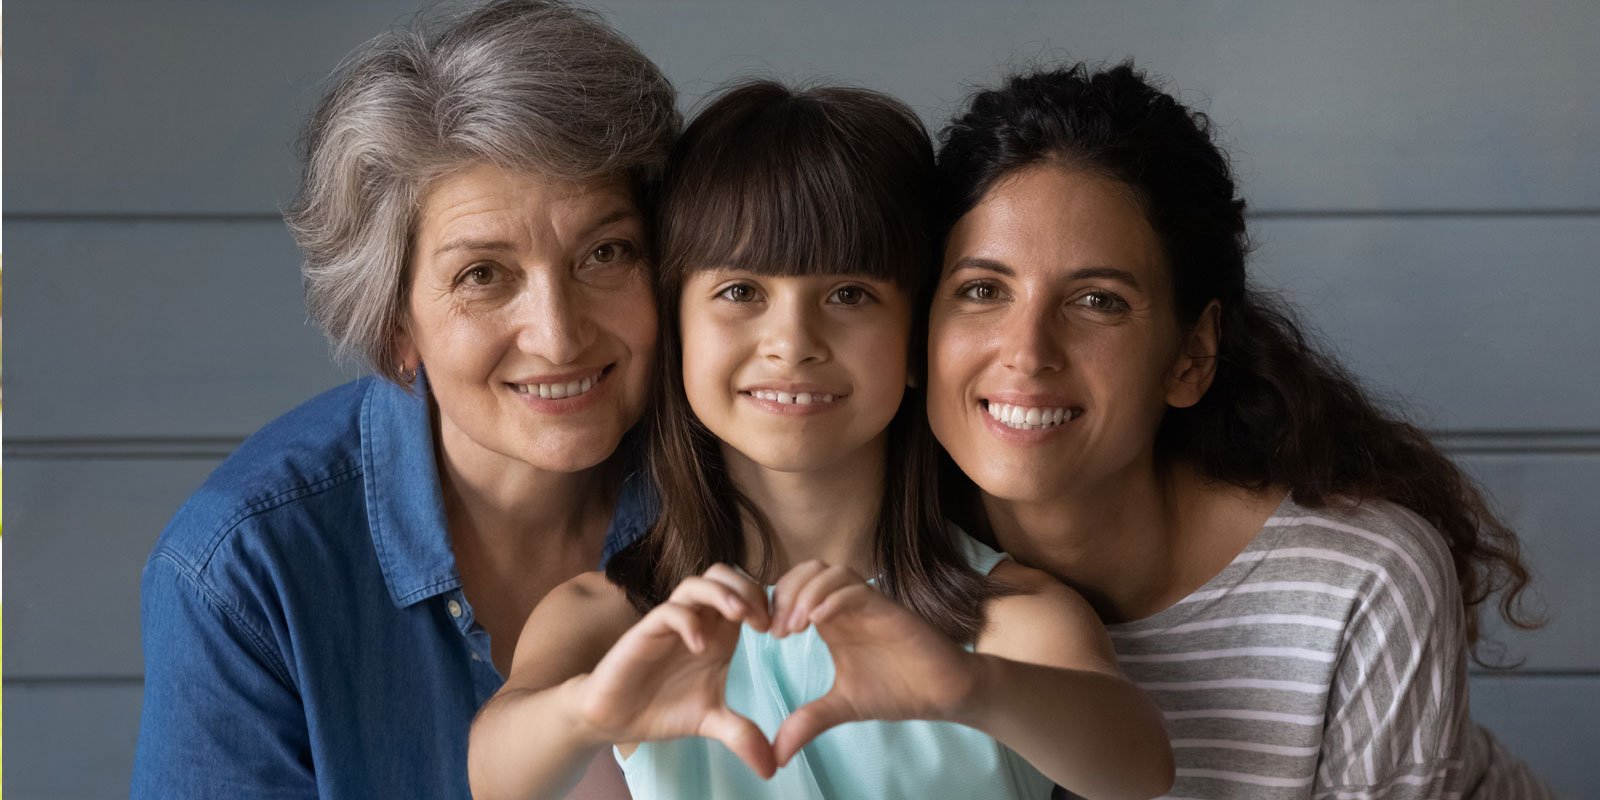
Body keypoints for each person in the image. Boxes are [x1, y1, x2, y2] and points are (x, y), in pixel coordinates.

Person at [467, 81, 1175, 800]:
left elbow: (1138, 766)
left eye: (848, 295)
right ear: (678, 330)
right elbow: (496, 777)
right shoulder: (608, 617)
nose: (793, 343)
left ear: (916, 341)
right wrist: (588, 713)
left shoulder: (1006, 616)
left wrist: (968, 686)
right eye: (741, 292)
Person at [926, 62, 1554, 798]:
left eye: (1098, 300)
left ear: (1190, 357)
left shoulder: (1359, 582)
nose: (1028, 352)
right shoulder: (884, 568)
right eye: (982, 289)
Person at [130, 2, 678, 797]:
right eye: (482, 275)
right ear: (396, 327)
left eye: (605, 253)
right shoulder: (242, 572)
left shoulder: (747, 485)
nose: (558, 336)